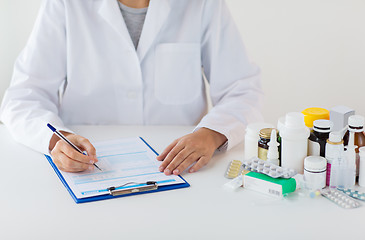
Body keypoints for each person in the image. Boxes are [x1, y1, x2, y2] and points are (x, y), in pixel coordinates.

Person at [0, 0, 263, 175]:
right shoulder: (65, 4)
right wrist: (57, 139)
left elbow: (243, 90)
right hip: (90, 169)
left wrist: (210, 134)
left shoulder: (203, 4)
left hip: (180, 171)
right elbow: (24, 96)